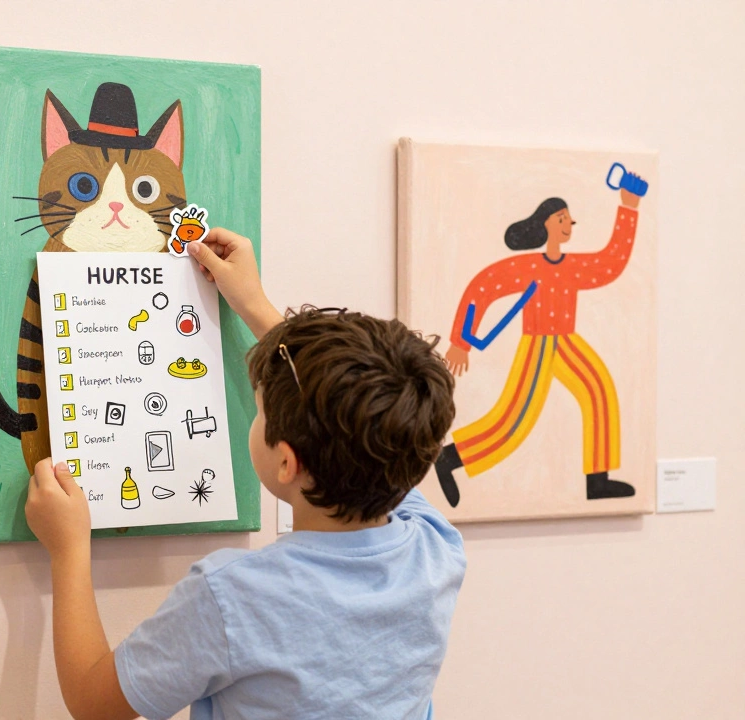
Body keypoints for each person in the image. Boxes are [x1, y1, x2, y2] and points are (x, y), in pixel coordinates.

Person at [24, 228, 466, 719]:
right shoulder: (435, 547)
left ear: (286, 462)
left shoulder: (232, 597)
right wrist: (254, 304)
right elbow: (373, 423)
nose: (255, 414)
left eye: (259, 411)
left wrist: (68, 550)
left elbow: (93, 704)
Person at [432, 178, 645, 508]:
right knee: (513, 420)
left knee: (600, 391)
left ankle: (597, 480)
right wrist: (461, 340)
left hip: (566, 342)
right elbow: (482, 287)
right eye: (561, 218)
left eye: (569, 219)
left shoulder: (573, 266)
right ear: (546, 224)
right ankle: (449, 459)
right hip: (538, 346)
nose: (568, 224)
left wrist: (628, 207)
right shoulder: (527, 267)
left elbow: (610, 264)